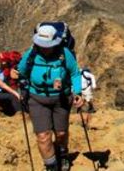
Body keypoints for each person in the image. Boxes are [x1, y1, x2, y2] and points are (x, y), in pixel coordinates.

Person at [16, 24, 85, 171]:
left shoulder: (65, 54)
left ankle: (63, 154)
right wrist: (21, 85)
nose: (45, 48)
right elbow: (21, 71)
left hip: (61, 99)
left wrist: (77, 92)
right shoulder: (31, 54)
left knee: (61, 133)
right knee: (43, 136)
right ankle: (51, 166)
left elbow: (75, 74)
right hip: (37, 99)